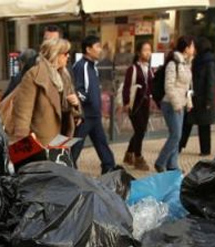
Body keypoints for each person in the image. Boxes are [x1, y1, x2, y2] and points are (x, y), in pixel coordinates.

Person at [12, 39, 81, 145]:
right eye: (65, 53)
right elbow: (23, 112)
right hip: (41, 139)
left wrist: (75, 104)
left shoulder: (64, 76)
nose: (68, 56)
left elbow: (67, 108)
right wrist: (22, 142)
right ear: (55, 54)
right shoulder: (35, 75)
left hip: (61, 137)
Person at [72, 35, 116, 174]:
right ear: (88, 49)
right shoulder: (81, 66)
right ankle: (68, 170)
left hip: (95, 115)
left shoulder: (93, 67)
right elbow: (78, 90)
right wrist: (86, 103)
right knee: (75, 147)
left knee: (102, 144)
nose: (100, 50)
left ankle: (109, 169)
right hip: (85, 116)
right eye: (97, 46)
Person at [155, 36, 195, 172]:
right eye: (192, 46)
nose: (194, 49)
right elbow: (169, 87)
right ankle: (160, 162)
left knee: (177, 135)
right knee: (176, 135)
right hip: (170, 104)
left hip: (180, 104)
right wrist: (177, 104)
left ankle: (172, 165)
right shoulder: (173, 63)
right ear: (186, 48)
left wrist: (188, 102)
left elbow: (186, 87)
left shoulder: (185, 63)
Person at [123, 41, 154, 171]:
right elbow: (126, 86)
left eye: (149, 50)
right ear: (138, 52)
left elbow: (151, 86)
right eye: (145, 50)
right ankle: (138, 157)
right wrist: (126, 103)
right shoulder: (133, 69)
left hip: (145, 104)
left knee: (140, 130)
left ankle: (129, 154)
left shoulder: (149, 69)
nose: (148, 53)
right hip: (135, 104)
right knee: (140, 130)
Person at [181, 36, 214, 157]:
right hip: (194, 97)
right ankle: (179, 145)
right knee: (188, 122)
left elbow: (210, 82)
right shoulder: (197, 60)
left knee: (203, 125)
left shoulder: (209, 62)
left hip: (203, 99)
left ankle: (205, 150)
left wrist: (209, 101)